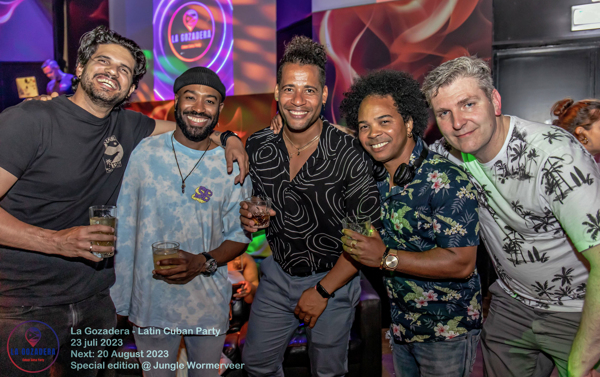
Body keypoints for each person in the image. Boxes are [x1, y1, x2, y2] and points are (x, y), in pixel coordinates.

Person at [0, 26, 247, 376]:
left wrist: (229, 136)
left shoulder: (127, 126)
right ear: (80, 67)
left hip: (94, 302)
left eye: (124, 69)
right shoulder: (30, 121)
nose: (112, 72)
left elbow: (187, 129)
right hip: (25, 304)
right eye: (103, 61)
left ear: (130, 88)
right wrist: (56, 242)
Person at [423, 56, 600, 377]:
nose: (458, 122)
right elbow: (401, 156)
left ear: (494, 100)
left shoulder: (554, 157)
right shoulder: (449, 155)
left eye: (468, 104)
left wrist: (582, 359)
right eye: (444, 113)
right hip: (512, 302)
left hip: (577, 308)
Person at [240, 36, 381, 377]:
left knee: (328, 372)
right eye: (289, 89)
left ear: (325, 94)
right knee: (256, 364)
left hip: (334, 277)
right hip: (277, 274)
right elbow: (253, 205)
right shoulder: (258, 145)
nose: (298, 100)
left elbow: (363, 240)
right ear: (277, 92)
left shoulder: (350, 152)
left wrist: (322, 291)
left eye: (309, 90)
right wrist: (249, 219)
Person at [338, 69, 482, 377]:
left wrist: (385, 258)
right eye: (364, 126)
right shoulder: (375, 178)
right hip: (402, 327)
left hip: (446, 332)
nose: (372, 133)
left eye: (384, 121)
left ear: (408, 122)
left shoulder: (446, 179)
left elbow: (462, 263)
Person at [110, 67, 251, 376]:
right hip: (151, 303)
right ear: (176, 101)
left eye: (209, 101)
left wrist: (202, 261)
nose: (199, 107)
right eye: (190, 97)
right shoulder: (144, 154)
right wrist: (120, 298)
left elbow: (240, 235)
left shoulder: (230, 164)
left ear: (220, 108)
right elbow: (125, 226)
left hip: (207, 304)